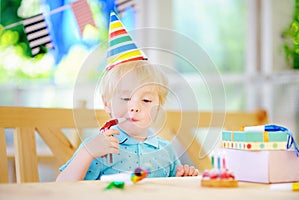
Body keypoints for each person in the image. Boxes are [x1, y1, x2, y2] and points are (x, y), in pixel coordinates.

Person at [56, 12, 198, 182]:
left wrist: (182, 177)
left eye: (146, 100)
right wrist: (87, 153)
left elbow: (172, 189)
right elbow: (62, 186)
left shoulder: (166, 150)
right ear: (107, 104)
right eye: (125, 98)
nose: (134, 107)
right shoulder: (99, 146)